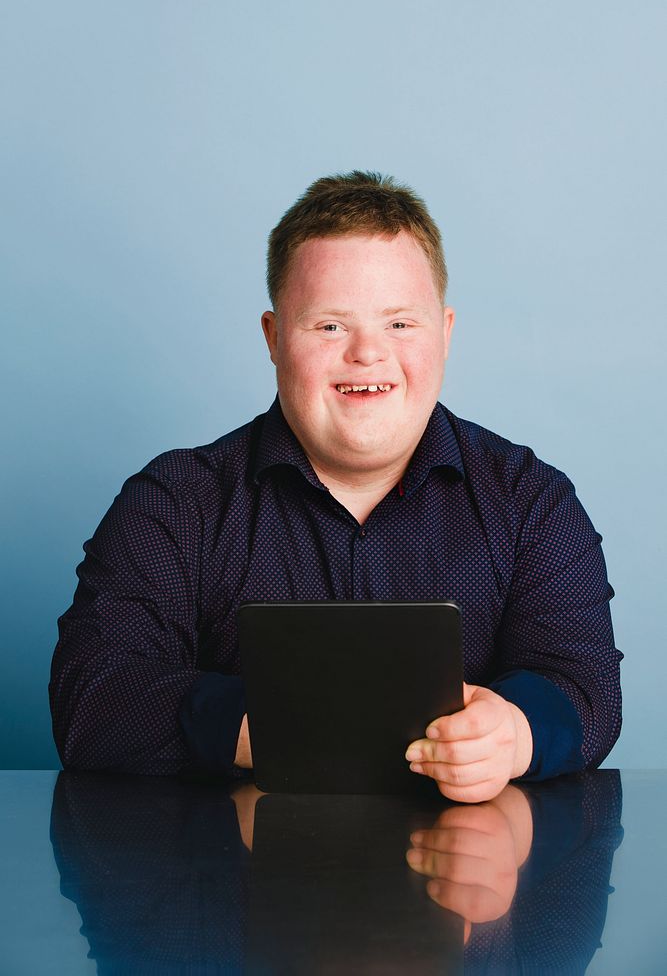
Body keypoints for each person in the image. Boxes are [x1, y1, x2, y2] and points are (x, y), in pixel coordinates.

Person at [49, 171, 623, 803]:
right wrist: (272, 726)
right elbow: (92, 697)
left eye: (401, 324)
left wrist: (513, 734)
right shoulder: (174, 504)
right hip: (228, 888)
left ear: (446, 331)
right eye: (328, 326)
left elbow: (585, 685)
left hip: (470, 885)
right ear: (272, 338)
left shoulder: (530, 501)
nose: (368, 354)